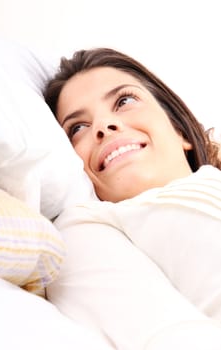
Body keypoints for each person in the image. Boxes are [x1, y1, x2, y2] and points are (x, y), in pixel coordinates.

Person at [44, 48, 221, 349]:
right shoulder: (84, 227)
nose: (103, 126)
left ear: (179, 130)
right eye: (77, 128)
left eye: (124, 101)